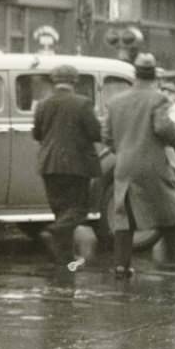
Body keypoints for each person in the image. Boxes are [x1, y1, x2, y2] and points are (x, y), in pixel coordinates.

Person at [102, 53, 175, 276]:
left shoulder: (116, 103)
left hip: (124, 166)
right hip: (152, 164)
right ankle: (173, 261)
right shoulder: (158, 99)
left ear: (135, 74)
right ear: (154, 75)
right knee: (170, 211)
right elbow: (164, 128)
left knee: (124, 217)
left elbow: (106, 136)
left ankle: (121, 266)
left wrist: (124, 149)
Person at [31, 64, 102, 265]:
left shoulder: (43, 104)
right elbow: (95, 133)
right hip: (77, 165)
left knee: (60, 210)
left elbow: (37, 134)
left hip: (49, 164)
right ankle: (54, 231)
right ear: (74, 81)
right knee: (79, 209)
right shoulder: (83, 103)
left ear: (55, 81)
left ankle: (64, 258)